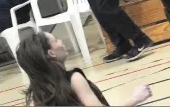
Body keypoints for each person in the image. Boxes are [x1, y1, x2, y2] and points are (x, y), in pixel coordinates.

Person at [17, 32, 152, 106]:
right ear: (51, 53)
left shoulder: (36, 97)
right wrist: (135, 99)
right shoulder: (73, 79)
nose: (61, 42)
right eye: (56, 40)